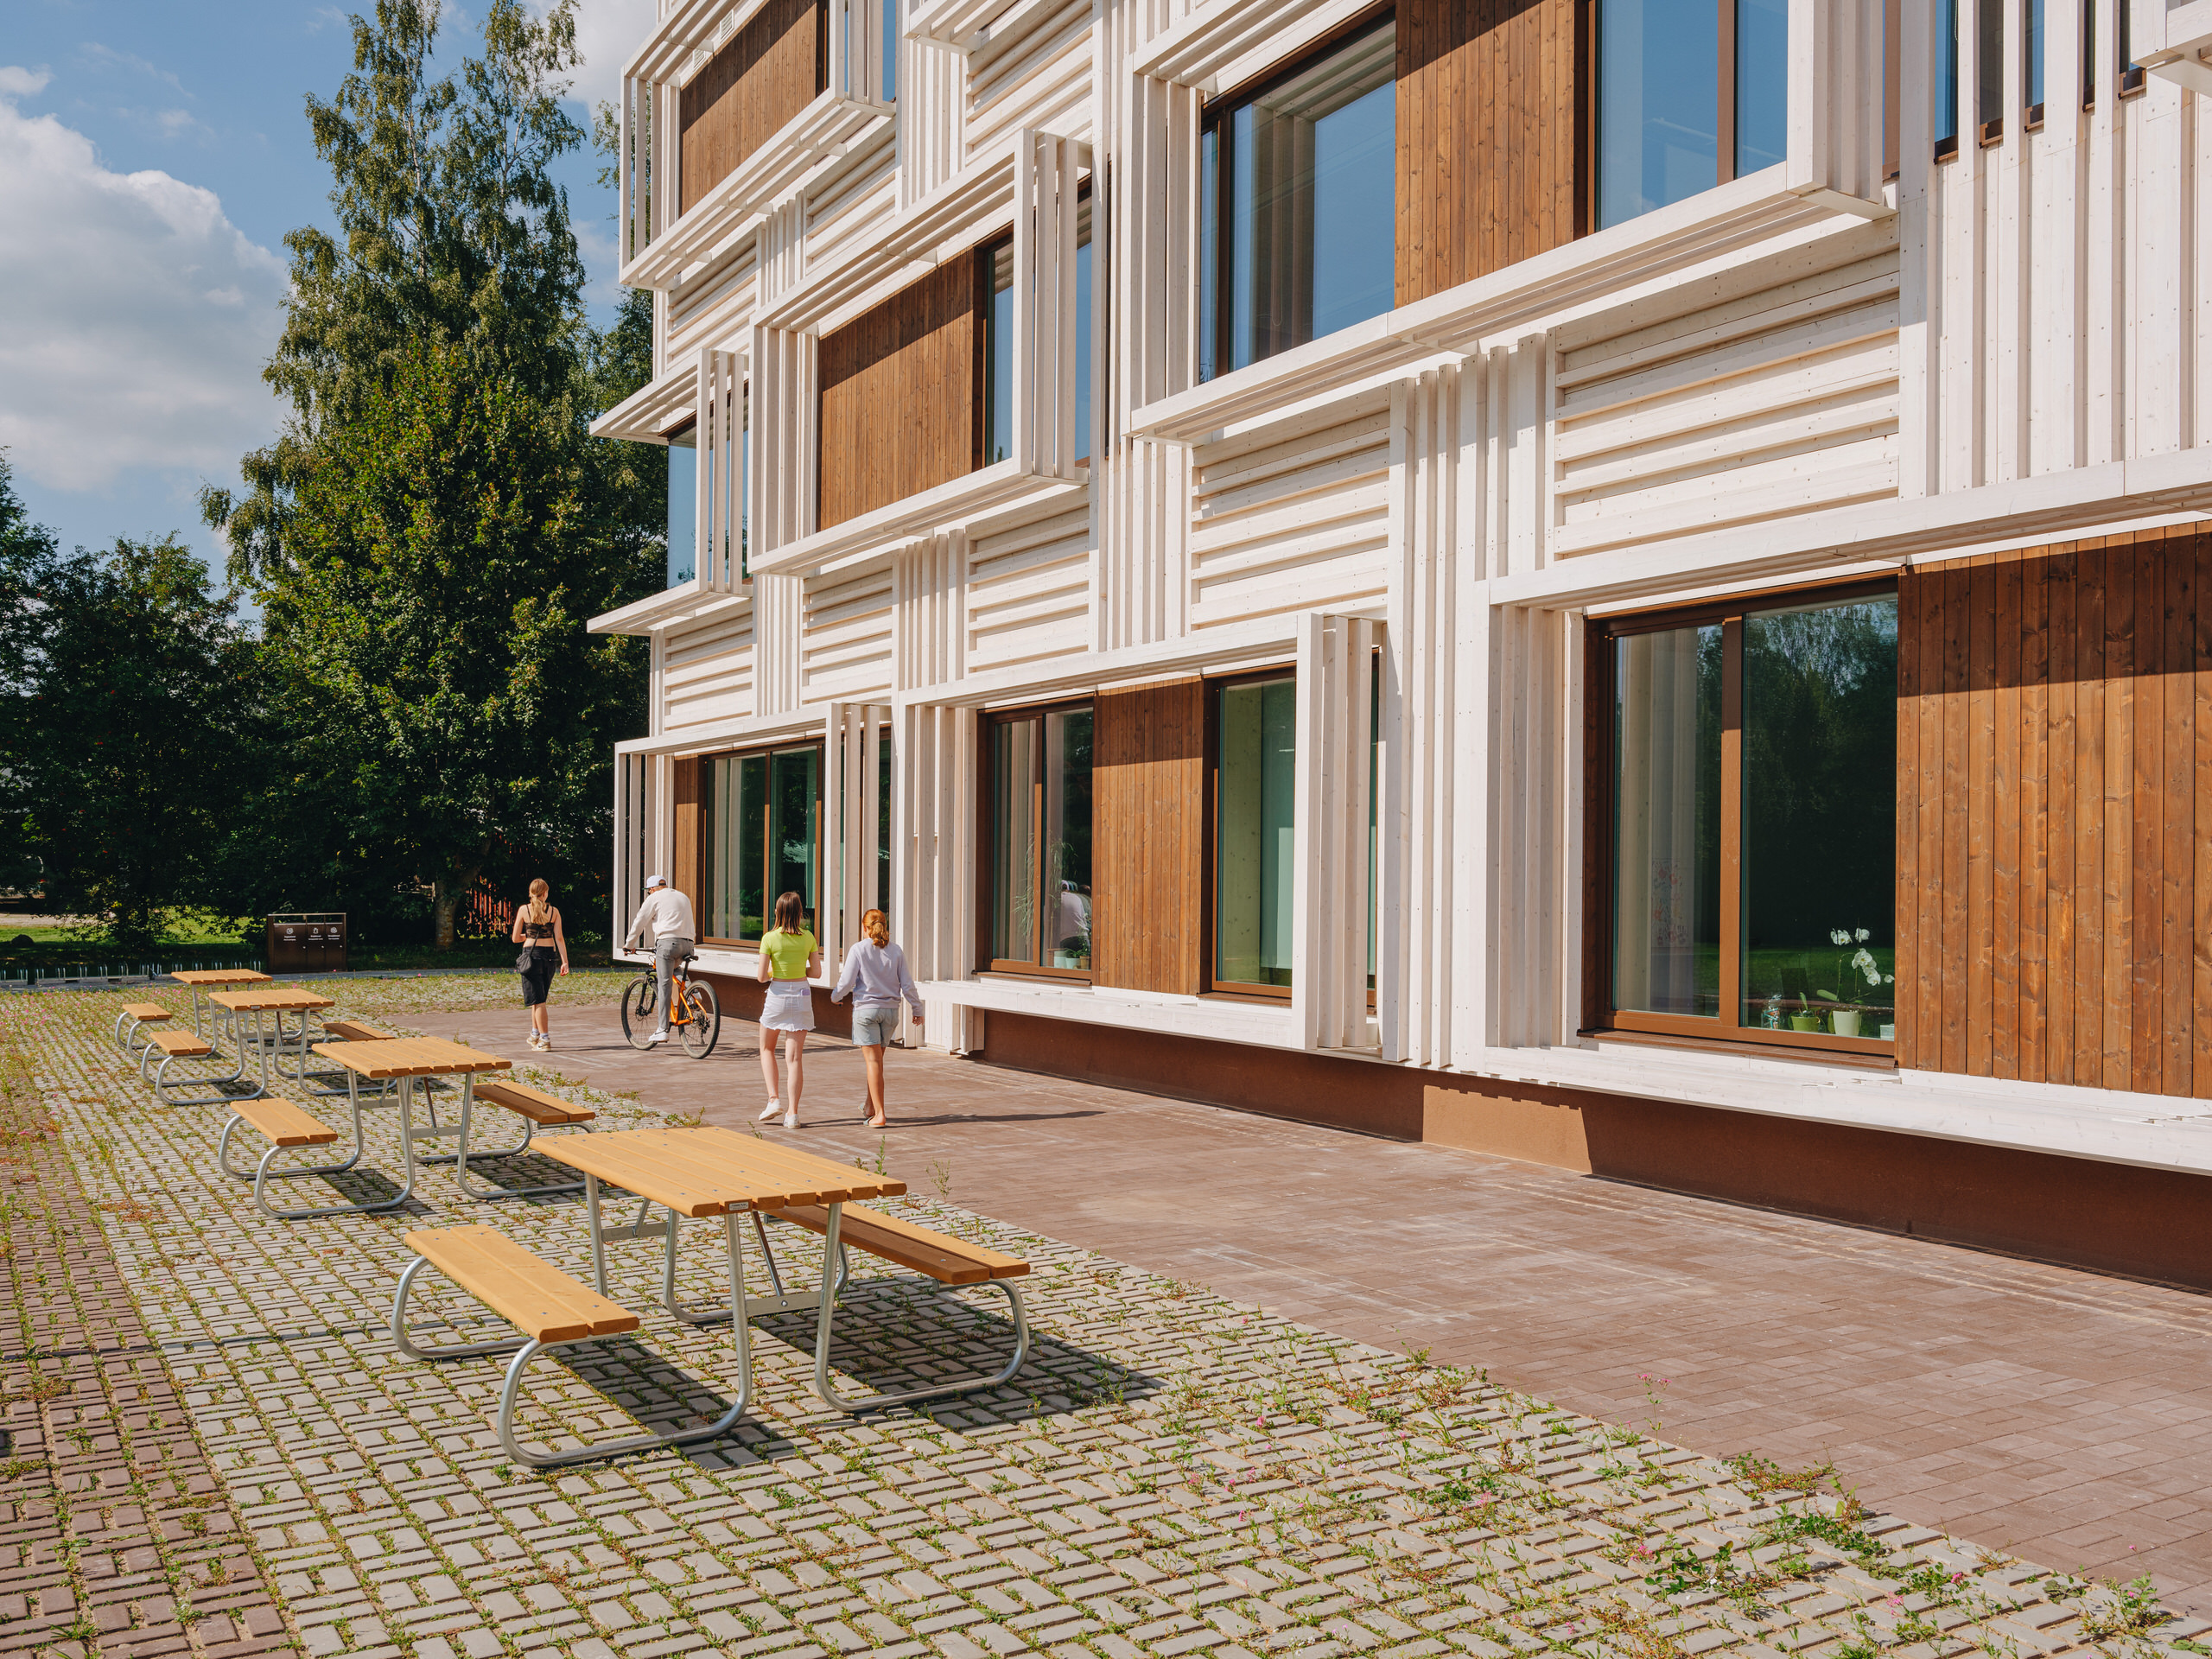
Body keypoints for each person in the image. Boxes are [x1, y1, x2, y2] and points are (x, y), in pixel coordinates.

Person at [830, 908, 923, 1128]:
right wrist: (917, 1008)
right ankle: (870, 1106)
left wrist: (835, 997)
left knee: (873, 1063)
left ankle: (880, 1114)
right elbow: (907, 984)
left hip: (866, 1012)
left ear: (865, 928)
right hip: (890, 1013)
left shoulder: (858, 949)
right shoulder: (896, 951)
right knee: (877, 1063)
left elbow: (846, 982)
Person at [754, 891, 821, 1128]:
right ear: (800, 913)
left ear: (777, 912)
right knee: (794, 1058)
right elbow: (816, 973)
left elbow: (762, 977)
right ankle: (792, 1114)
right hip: (802, 994)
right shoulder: (809, 937)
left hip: (778, 995)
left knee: (767, 1048)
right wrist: (798, 968)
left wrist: (777, 970)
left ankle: (774, 1100)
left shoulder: (769, 938)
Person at [621, 874, 696, 1046]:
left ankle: (662, 1030)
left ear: (652, 889)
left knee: (664, 985)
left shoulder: (654, 897)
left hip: (668, 944)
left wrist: (629, 945)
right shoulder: (682, 896)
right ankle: (693, 993)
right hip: (688, 944)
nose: (649, 893)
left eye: (648, 891)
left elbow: (640, 921)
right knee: (675, 969)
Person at [510, 878, 569, 1050]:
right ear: (545, 893)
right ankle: (535, 1034)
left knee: (539, 1000)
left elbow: (515, 938)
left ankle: (545, 1039)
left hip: (531, 957)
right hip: (550, 956)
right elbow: (559, 938)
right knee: (538, 998)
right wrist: (565, 961)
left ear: (531, 893)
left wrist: (528, 936)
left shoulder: (524, 910)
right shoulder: (554, 911)